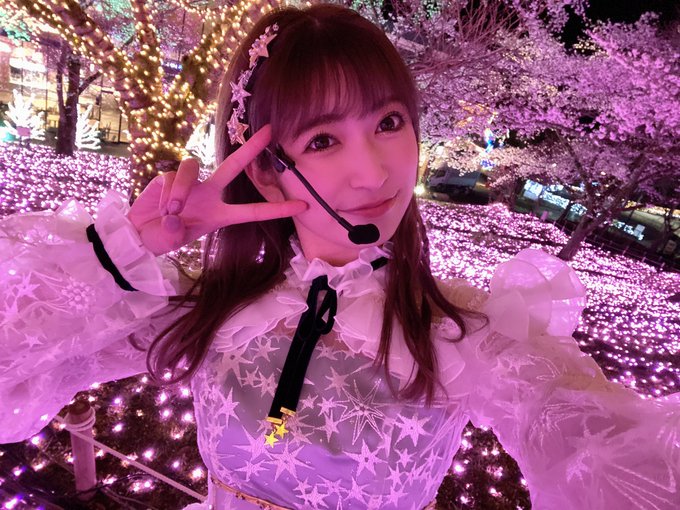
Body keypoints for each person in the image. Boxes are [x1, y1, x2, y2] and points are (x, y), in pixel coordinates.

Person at [0, 4, 678, 510]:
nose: (374, 173)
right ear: (265, 172)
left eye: (389, 122)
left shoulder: (467, 330)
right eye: (323, 141)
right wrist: (126, 250)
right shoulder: (206, 301)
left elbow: (611, 456)